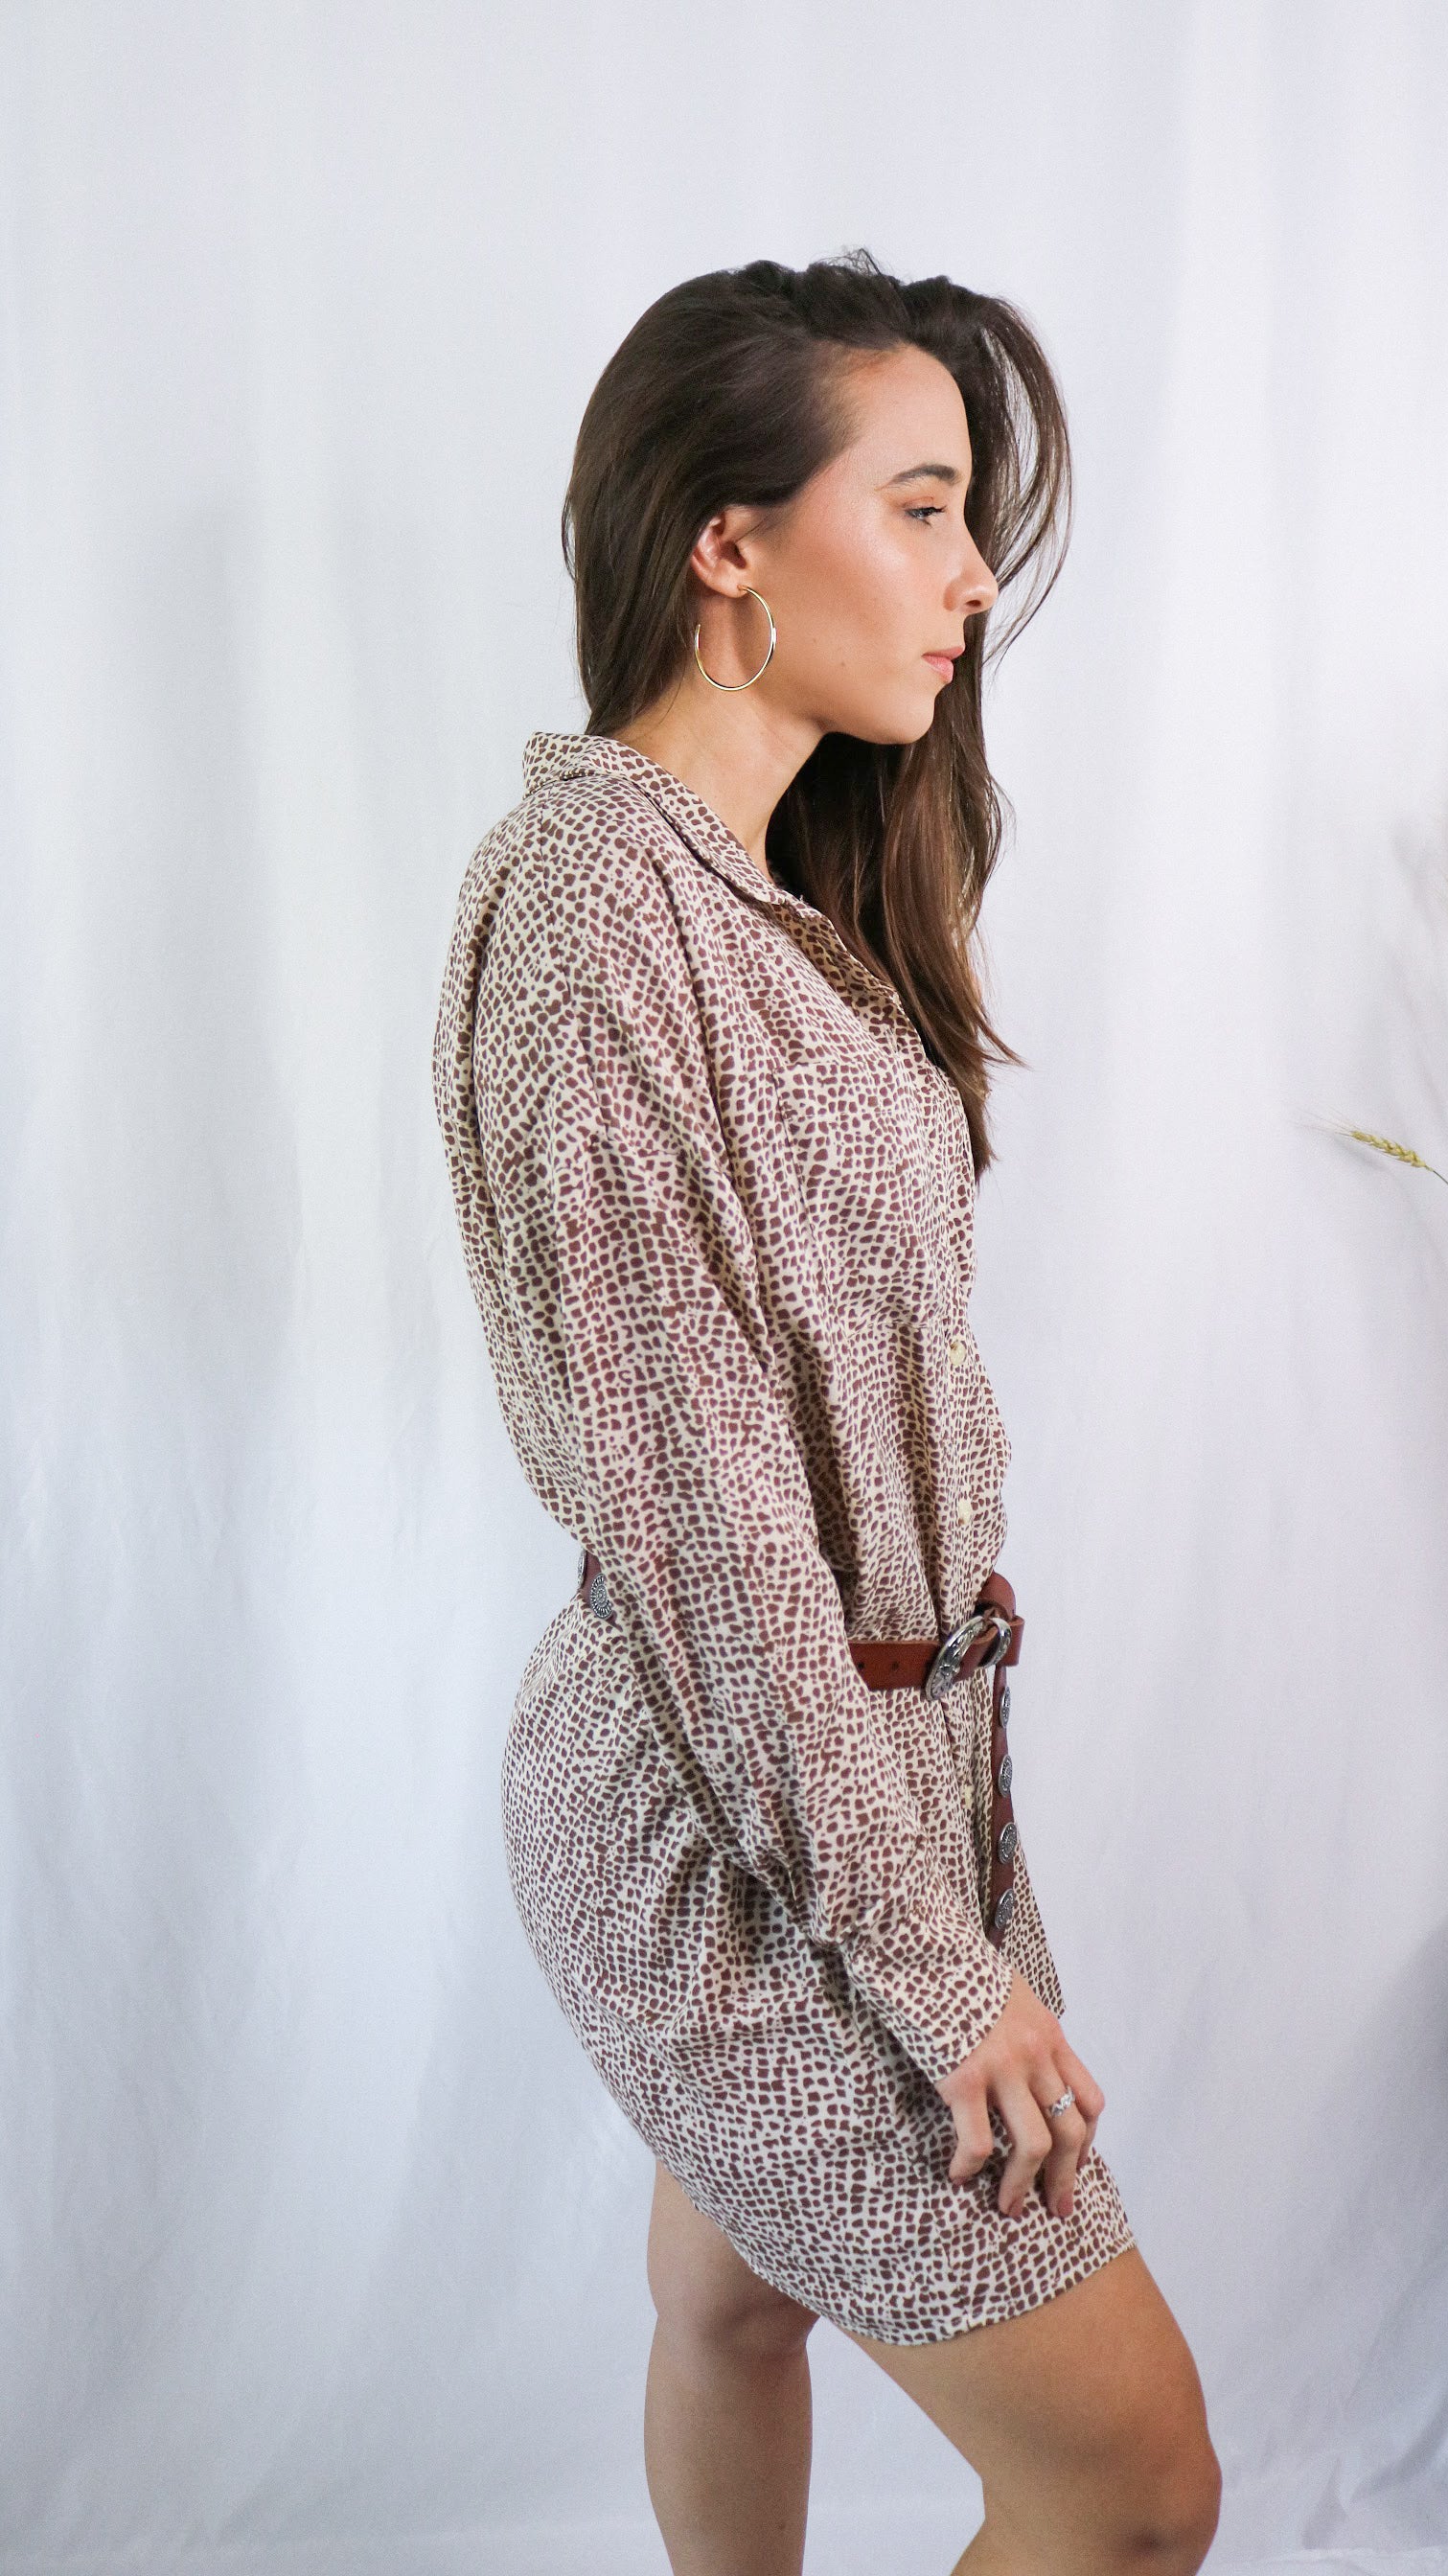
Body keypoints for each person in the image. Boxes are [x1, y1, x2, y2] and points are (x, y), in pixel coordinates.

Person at [431, 250, 1219, 2576]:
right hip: (732, 1813)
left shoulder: (769, 897)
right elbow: (704, 1525)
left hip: (853, 1766)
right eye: (921, 503)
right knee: (1129, 2486)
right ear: (729, 544)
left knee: (727, 2312)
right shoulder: (595, 902)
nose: (975, 576)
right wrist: (925, 1958)